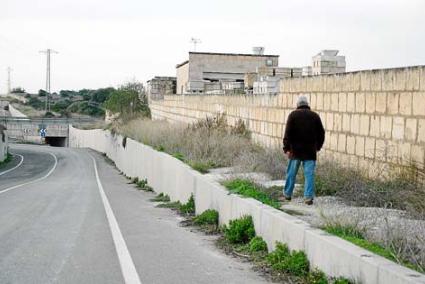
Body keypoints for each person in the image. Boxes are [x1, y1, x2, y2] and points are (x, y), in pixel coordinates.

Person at [282, 95, 325, 205]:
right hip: (310, 151)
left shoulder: (293, 115)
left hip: (295, 151)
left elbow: (288, 133)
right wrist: (318, 147)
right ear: (307, 104)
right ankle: (308, 197)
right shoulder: (315, 116)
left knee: (291, 174)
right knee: (309, 175)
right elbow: (321, 133)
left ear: (298, 105)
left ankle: (287, 195)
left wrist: (286, 148)